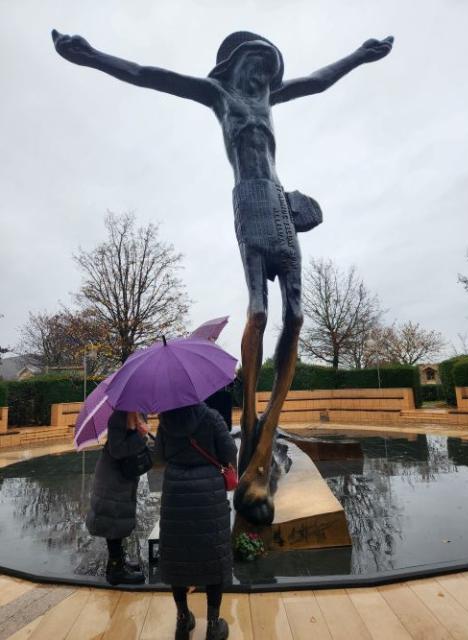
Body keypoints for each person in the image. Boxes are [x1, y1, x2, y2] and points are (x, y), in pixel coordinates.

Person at [52, 28, 393, 525]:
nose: (264, 75)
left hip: (281, 204)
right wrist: (89, 56)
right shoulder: (219, 96)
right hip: (250, 203)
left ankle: (266, 432)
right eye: (258, 64)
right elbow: (150, 76)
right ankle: (251, 422)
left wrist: (361, 54)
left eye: (269, 68)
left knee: (296, 317)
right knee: (258, 310)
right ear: (238, 63)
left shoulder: (269, 98)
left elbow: (319, 81)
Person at [155, 402, 237, 640]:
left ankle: (183, 620)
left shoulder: (165, 420)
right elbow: (229, 451)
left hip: (176, 493)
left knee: (177, 556)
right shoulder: (212, 417)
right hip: (208, 492)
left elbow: (159, 458)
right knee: (214, 556)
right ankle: (213, 624)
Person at [86, 410, 149, 586]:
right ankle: (115, 571)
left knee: (118, 520)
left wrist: (139, 434)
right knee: (112, 520)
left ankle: (118, 561)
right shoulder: (118, 417)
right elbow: (118, 450)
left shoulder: (136, 414)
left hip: (122, 477)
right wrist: (139, 435)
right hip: (112, 478)